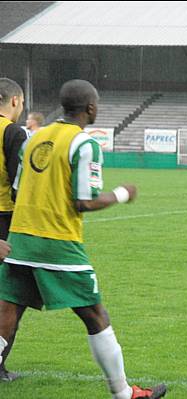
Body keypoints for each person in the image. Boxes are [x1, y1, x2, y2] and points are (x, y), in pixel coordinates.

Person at [0, 79, 167, 398]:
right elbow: (84, 201)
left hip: (20, 240)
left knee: (6, 316)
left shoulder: (33, 138)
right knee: (95, 315)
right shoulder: (84, 144)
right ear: (91, 108)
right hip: (57, 243)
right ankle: (124, 393)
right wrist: (121, 193)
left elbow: (18, 189)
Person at [0, 77, 28, 382]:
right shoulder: (12, 132)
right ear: (16, 101)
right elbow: (20, 185)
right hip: (5, 221)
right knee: (10, 299)